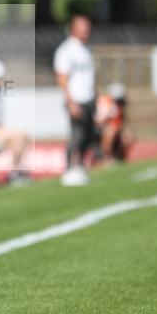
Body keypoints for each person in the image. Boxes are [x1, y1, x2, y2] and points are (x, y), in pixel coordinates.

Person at [53, 14, 96, 186]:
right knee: (77, 135)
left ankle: (80, 167)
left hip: (88, 98)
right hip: (76, 99)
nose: (86, 31)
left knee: (88, 135)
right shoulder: (67, 50)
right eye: (82, 28)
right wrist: (70, 101)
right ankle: (71, 168)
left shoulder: (85, 49)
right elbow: (62, 76)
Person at [94, 82, 135, 165]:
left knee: (128, 137)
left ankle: (119, 157)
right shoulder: (104, 103)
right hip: (99, 131)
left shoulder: (119, 107)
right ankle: (105, 157)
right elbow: (98, 121)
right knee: (110, 130)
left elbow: (120, 124)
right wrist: (108, 119)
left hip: (114, 130)